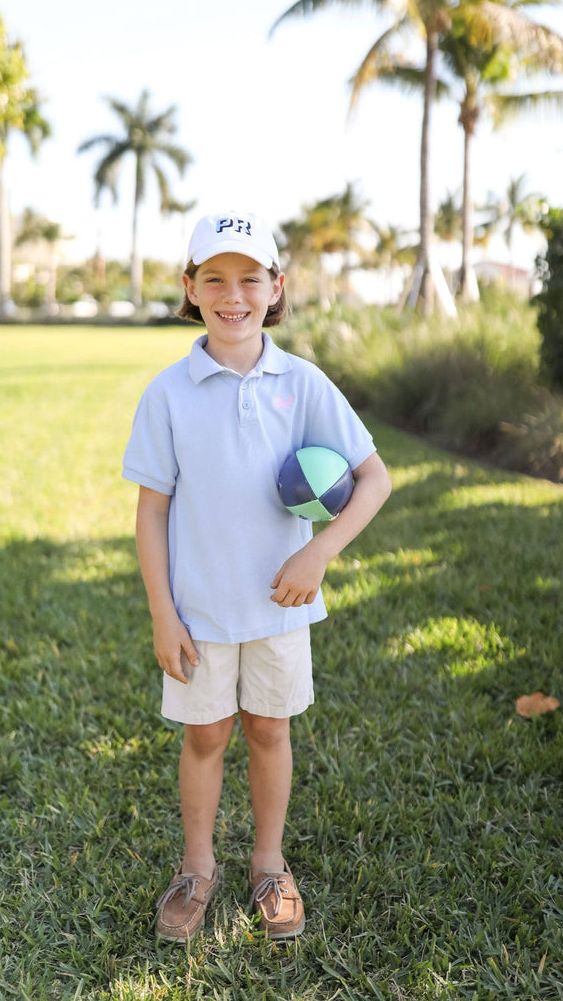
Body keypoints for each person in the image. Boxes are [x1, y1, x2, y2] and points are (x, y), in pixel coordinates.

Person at [122, 210, 391, 942]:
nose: (232, 294)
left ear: (277, 286)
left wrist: (319, 553)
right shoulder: (169, 393)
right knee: (205, 737)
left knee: (270, 729)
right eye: (215, 278)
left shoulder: (301, 384)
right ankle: (196, 867)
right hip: (199, 612)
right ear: (190, 287)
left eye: (250, 278)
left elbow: (374, 479)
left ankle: (268, 864)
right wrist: (162, 613)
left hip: (279, 609)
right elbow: (152, 514)